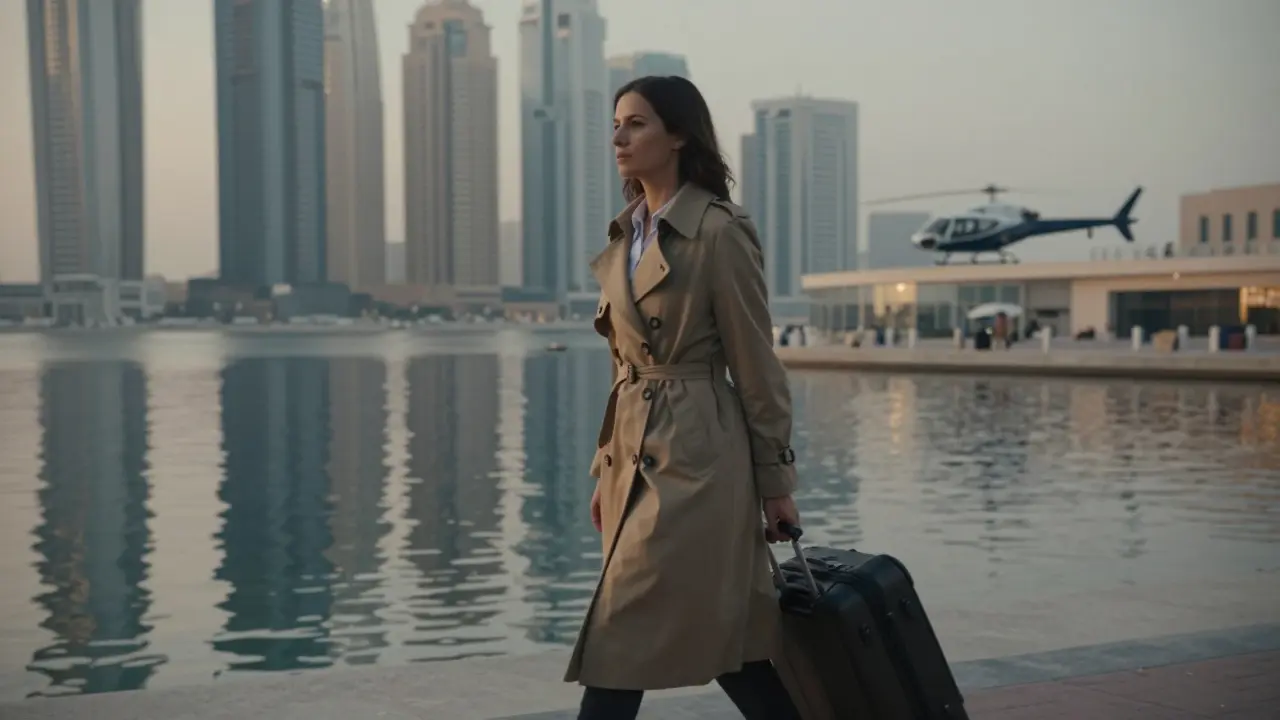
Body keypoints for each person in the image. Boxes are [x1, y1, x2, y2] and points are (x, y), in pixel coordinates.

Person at [564, 75, 804, 720]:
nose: (619, 137)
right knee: (728, 639)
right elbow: (624, 368)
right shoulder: (626, 236)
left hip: (696, 460)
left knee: (621, 633)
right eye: (616, 124)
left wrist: (776, 483)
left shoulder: (719, 232)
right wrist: (606, 471)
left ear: (677, 136)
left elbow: (756, 364)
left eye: (637, 123)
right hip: (633, 460)